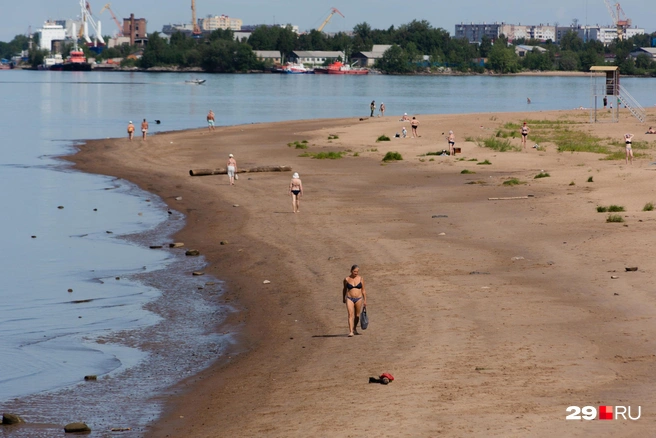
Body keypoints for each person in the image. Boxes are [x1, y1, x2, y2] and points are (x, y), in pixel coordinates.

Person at [342, 264, 366, 337]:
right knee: (350, 314)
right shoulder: (346, 279)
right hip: (349, 298)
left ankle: (354, 328)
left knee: (357, 315)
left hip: (359, 298)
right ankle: (351, 331)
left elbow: (363, 290)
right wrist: (343, 298)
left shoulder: (361, 279)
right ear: (351, 271)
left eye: (357, 272)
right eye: (354, 271)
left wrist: (365, 300)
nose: (356, 273)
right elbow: (344, 289)